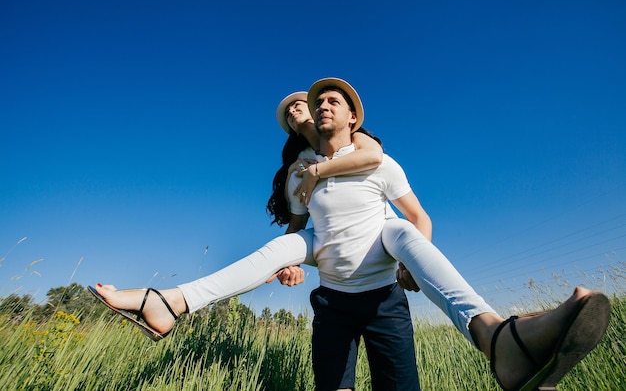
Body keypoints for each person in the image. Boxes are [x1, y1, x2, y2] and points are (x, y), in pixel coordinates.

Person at [91, 79, 611, 391]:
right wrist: (287, 261)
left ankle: (495, 334)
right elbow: (298, 229)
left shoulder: (377, 160)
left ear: (354, 116)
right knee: (286, 247)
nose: (319, 107)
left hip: (384, 292)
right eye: (313, 104)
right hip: (334, 292)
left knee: (401, 232)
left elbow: (418, 215)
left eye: (331, 101)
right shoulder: (300, 170)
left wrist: (411, 264)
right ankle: (173, 301)